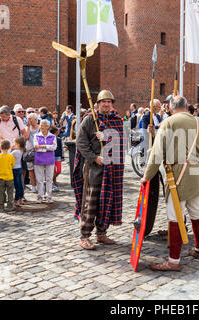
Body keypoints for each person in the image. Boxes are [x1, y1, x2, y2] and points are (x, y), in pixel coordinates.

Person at [141, 95, 199, 271]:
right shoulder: (197, 121)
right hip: (196, 170)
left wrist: (146, 176)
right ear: (187, 105)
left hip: (178, 174)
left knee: (174, 216)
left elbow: (157, 154)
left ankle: (173, 261)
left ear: (171, 108)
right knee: (196, 211)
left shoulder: (169, 122)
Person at [75, 90, 125, 250]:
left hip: (113, 169)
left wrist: (108, 137)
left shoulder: (117, 120)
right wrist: (94, 158)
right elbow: (81, 143)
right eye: (103, 101)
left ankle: (102, 233)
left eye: (109, 102)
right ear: (97, 104)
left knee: (107, 201)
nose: (106, 104)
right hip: (95, 169)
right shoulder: (90, 120)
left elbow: (124, 140)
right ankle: (84, 236)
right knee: (91, 202)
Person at [33, 119, 57, 203]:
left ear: (47, 126)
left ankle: (49, 196)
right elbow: (36, 147)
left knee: (49, 179)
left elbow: (54, 148)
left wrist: (42, 146)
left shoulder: (53, 136)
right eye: (40, 125)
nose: (41, 126)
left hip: (50, 160)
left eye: (43, 125)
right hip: (39, 159)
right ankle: (40, 196)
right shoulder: (36, 136)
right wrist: (47, 147)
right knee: (39, 179)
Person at [0, 139, 15, 212]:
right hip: (9, 177)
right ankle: (9, 205)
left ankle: (1, 206)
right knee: (10, 192)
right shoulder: (11, 156)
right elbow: (13, 165)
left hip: (0, 177)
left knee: (1, 192)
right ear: (9, 148)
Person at [24, 112, 40, 193]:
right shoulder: (27, 128)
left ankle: (39, 186)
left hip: (39, 151)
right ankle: (33, 186)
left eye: (31, 119)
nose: (29, 121)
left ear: (36, 119)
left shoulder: (40, 128)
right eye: (28, 119)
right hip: (29, 151)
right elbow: (26, 137)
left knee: (39, 170)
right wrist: (28, 126)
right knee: (31, 170)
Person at [11, 137, 26, 207]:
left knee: (17, 185)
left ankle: (16, 200)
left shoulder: (15, 152)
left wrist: (10, 149)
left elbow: (7, 155)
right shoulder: (22, 151)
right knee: (20, 184)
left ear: (18, 144)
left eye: (15, 143)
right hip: (19, 168)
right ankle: (20, 198)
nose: (14, 144)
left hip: (15, 169)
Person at [50, 126, 64, 192]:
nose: (58, 133)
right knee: (53, 171)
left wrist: (62, 156)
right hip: (51, 156)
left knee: (59, 170)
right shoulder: (49, 139)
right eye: (56, 132)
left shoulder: (59, 139)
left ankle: (52, 179)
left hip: (58, 156)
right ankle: (54, 184)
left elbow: (61, 148)